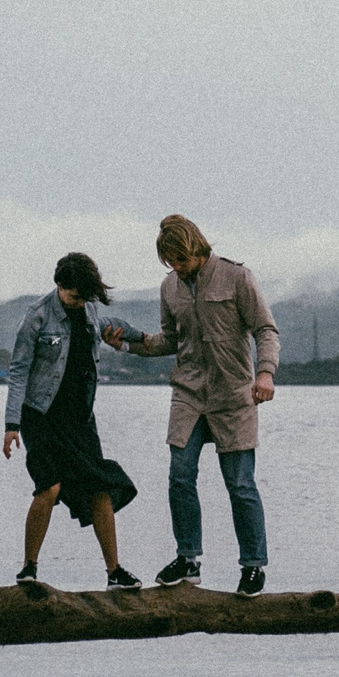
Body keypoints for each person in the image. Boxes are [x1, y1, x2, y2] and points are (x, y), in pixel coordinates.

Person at [102, 213, 278, 596]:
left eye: (181, 261)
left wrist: (264, 373)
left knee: (240, 484)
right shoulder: (170, 287)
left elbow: (265, 330)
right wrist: (128, 345)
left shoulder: (237, 277)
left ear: (196, 249)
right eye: (170, 264)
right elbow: (168, 341)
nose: (176, 270)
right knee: (180, 476)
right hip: (188, 393)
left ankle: (253, 566)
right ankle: (188, 560)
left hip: (234, 395)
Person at [3, 251, 141, 590]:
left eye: (85, 297)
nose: (79, 303)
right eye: (73, 296)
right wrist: (11, 425)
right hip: (41, 417)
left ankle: (114, 573)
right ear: (59, 285)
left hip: (80, 419)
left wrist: (152, 339)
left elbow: (122, 329)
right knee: (49, 486)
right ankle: (29, 569)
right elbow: (18, 370)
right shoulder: (36, 317)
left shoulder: (90, 311)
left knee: (99, 487)